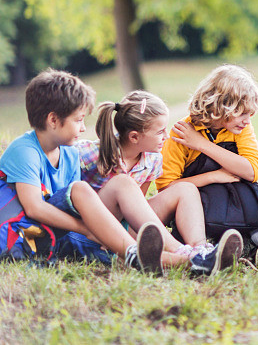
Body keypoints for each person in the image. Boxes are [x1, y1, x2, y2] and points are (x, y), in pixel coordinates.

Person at [0, 69, 242, 274]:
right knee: (99, 187)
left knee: (122, 184)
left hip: (77, 232)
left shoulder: (69, 153)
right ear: (53, 120)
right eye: (78, 120)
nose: (84, 128)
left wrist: (100, 229)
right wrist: (91, 230)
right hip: (34, 236)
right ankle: (173, 256)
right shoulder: (25, 150)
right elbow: (34, 208)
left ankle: (195, 259)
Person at [76, 90, 242, 273]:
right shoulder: (89, 154)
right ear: (134, 137)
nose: (167, 137)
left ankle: (200, 250)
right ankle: (182, 252)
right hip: (96, 229)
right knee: (123, 182)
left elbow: (139, 205)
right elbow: (69, 193)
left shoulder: (152, 159)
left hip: (125, 226)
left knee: (185, 189)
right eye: (160, 132)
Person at [156, 65, 258, 252]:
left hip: (239, 213)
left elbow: (251, 171)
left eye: (250, 114)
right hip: (198, 213)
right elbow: (167, 189)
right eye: (241, 113)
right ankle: (203, 245)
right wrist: (214, 176)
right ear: (219, 106)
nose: (247, 120)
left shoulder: (241, 128)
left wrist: (202, 144)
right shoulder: (182, 134)